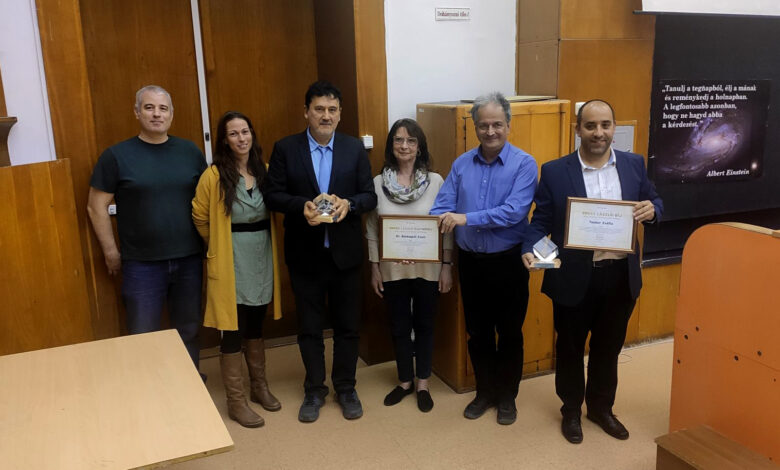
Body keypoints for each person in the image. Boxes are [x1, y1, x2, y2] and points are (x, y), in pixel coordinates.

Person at [521, 99, 663, 444]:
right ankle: (571, 410)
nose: (598, 132)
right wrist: (530, 248)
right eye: (590, 126)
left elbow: (654, 201)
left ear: (614, 128)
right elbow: (540, 221)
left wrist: (653, 210)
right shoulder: (555, 171)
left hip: (619, 276)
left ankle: (601, 408)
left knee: (608, 348)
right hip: (573, 276)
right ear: (578, 130)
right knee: (570, 348)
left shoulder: (633, 164)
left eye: (605, 125)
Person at [263, 80, 377, 423]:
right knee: (310, 328)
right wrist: (301, 206)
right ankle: (314, 389)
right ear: (306, 112)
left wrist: (349, 204)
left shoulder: (353, 149)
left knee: (348, 327)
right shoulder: (286, 148)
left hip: (345, 255)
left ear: (340, 114)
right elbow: (272, 195)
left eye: (332, 110)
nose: (326, 116)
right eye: (319, 109)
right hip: (305, 255)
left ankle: (346, 387)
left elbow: (369, 196)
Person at [430, 92, 538, 425]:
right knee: (477, 333)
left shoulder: (524, 164)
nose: (490, 131)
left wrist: (465, 218)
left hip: (508, 262)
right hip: (471, 263)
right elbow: (441, 207)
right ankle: (485, 392)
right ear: (474, 127)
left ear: (509, 124)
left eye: (497, 124)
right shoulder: (461, 164)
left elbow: (513, 212)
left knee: (509, 333)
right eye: (483, 125)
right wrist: (438, 221)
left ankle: (507, 397)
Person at [87, 85, 207, 370]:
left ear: (171, 114)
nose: (156, 114)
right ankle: (148, 393)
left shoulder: (190, 152)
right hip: (141, 265)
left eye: (163, 108)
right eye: (149, 107)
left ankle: (190, 387)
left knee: (189, 331)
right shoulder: (116, 156)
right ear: (137, 112)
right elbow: (95, 206)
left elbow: (208, 201)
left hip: (189, 259)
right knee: (143, 336)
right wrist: (110, 252)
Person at [192, 111, 283, 428]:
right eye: (233, 133)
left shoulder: (265, 170)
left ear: (252, 134)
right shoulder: (213, 176)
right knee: (232, 326)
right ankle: (236, 401)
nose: (241, 138)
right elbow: (200, 216)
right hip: (230, 258)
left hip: (261, 254)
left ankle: (259, 387)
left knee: (256, 322)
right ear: (224, 140)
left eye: (245, 131)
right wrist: (218, 244)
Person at [365, 119, 453, 413]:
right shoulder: (378, 184)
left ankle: (423, 382)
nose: (405, 146)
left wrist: (447, 265)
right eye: (399, 140)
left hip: (429, 269)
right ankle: (405, 381)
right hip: (392, 269)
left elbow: (446, 227)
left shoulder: (436, 182)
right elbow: (372, 229)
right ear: (391, 145)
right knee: (399, 326)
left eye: (411, 141)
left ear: (420, 147)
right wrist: (375, 267)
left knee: (425, 325)